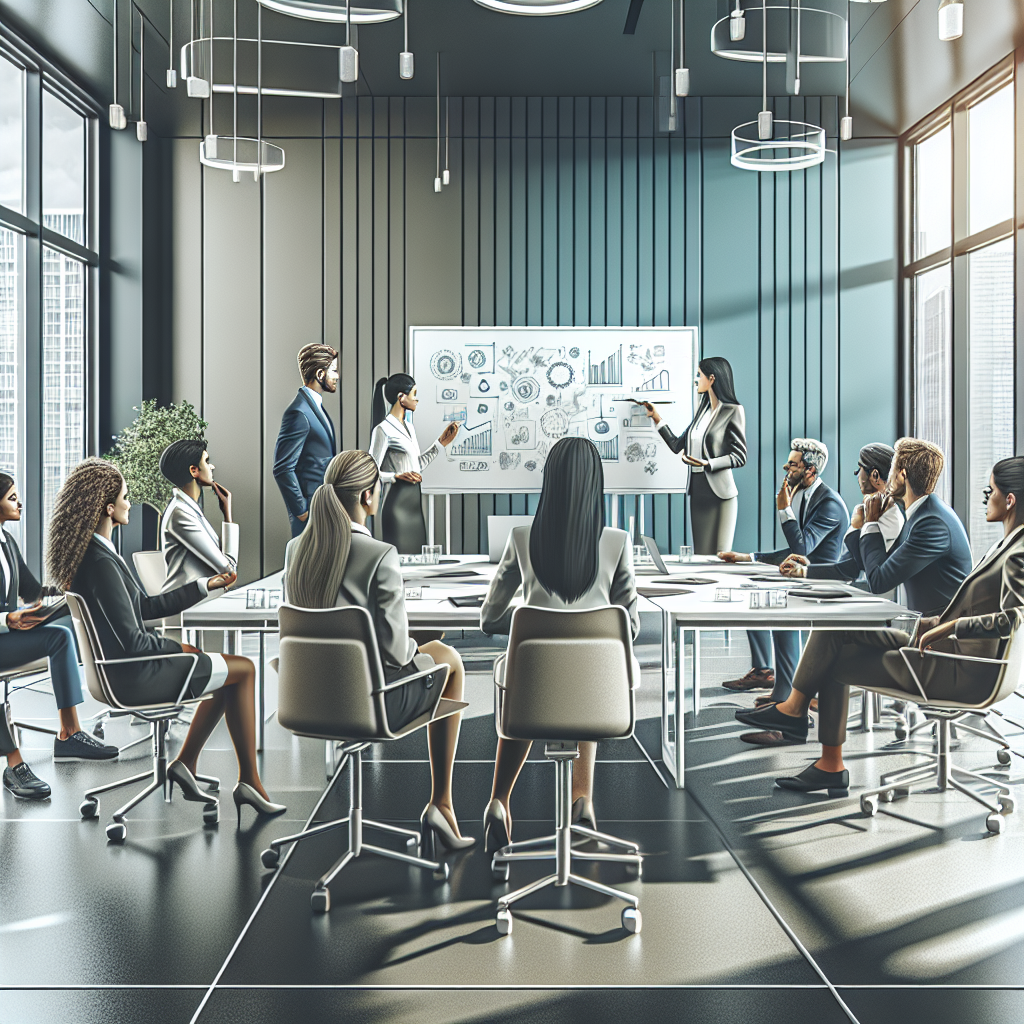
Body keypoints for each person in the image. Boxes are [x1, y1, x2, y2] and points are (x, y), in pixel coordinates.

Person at [49, 458, 284, 822]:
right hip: (135, 674)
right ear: (108, 509)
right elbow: (133, 641)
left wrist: (205, 585)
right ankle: (247, 781)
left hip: (125, 670)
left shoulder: (95, 555)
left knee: (227, 673)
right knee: (245, 669)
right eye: (125, 497)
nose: (130, 502)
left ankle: (186, 764)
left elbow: (143, 606)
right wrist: (181, 650)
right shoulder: (101, 563)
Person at [737, 438, 973, 773]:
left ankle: (800, 722)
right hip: (921, 629)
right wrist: (811, 567)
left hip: (935, 641)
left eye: (892, 468)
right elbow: (856, 567)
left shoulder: (930, 523)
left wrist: (868, 525)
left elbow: (878, 579)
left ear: (901, 475)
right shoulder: (922, 514)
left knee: (835, 636)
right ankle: (817, 748)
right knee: (835, 635)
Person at [284, 450, 473, 855]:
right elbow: (396, 651)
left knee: (432, 650)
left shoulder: (295, 549)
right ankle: (441, 804)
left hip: (306, 698)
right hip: (370, 703)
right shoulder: (380, 554)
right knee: (449, 660)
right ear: (369, 496)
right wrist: (418, 642)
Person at [479, 436, 639, 850]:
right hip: (598, 693)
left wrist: (531, 628)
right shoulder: (617, 542)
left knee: (522, 675)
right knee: (586, 666)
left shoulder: (520, 537)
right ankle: (581, 799)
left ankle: (499, 800)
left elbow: (489, 619)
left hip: (533, 690)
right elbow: (630, 628)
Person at [0, 473, 118, 801]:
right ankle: (17, 762)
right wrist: (8, 618)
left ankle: (70, 733)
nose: (19, 503)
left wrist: (70, 584)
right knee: (59, 638)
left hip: (8, 634)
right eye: (11, 497)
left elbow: (31, 590)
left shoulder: (6, 542)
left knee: (69, 619)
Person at [718, 439, 850, 714]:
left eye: (792, 464)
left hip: (822, 579)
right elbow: (794, 552)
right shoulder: (807, 495)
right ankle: (773, 680)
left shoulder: (829, 504)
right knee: (752, 594)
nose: (785, 467)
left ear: (810, 471)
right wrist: (750, 557)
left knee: (780, 609)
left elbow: (802, 549)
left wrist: (783, 508)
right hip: (804, 574)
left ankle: (786, 696)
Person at [645, 356, 746, 555]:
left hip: (721, 493)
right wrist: (656, 417)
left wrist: (708, 463)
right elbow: (676, 446)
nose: (696, 380)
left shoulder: (733, 411)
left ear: (712, 378)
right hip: (698, 489)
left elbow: (739, 456)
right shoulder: (702, 410)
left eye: (699, 375)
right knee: (702, 555)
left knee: (721, 556)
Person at [780, 442, 904, 584]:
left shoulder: (890, 518)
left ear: (875, 475)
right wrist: (807, 565)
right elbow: (847, 565)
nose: (856, 474)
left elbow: (854, 570)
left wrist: (804, 571)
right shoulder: (868, 511)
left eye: (859, 469)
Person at [368, 373, 460, 554]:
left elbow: (416, 466)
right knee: (400, 556)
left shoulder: (409, 427)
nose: (416, 399)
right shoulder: (383, 430)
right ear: (401, 397)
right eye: (414, 394)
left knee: (417, 555)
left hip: (414, 503)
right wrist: (396, 476)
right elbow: (371, 471)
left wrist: (441, 443)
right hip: (397, 502)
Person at [273, 344, 339, 538]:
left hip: (323, 507)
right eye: (334, 371)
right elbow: (283, 468)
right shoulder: (299, 412)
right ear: (320, 374)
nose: (337, 376)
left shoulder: (314, 407)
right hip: (310, 514)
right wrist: (302, 510)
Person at [159, 439, 239, 591]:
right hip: (188, 607)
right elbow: (229, 570)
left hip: (200, 603)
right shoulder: (181, 514)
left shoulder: (188, 509)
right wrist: (228, 515)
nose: (212, 466)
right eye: (207, 461)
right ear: (194, 470)